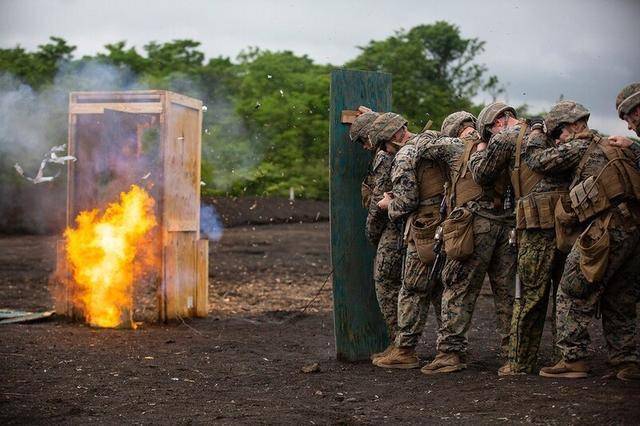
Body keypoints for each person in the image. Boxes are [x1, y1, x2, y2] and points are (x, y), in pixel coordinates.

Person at [524, 101, 640, 381]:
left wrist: (538, 131)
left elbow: (538, 161)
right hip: (633, 229)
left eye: (558, 133)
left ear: (575, 126)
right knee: (618, 294)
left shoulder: (579, 145)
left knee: (572, 289)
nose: (557, 140)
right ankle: (626, 362)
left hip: (606, 228)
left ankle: (573, 358)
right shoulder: (615, 144)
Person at [468, 104, 569, 375]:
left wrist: (478, 152)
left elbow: (482, 174)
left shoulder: (506, 137)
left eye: (488, 132)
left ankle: (520, 361)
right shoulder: (548, 130)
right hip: (568, 220)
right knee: (566, 292)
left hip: (536, 223)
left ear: (497, 123)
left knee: (528, 294)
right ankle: (568, 357)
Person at [415, 110, 516, 375]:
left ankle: (450, 353)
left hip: (474, 225)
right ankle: (513, 355)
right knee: (507, 293)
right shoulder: (503, 140)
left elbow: (422, 145)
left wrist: (430, 133)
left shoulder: (455, 144)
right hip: (507, 226)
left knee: (457, 285)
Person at [374, 116, 444, 369]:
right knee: (443, 291)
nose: (384, 151)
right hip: (449, 225)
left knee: (412, 289)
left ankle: (404, 351)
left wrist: (387, 204)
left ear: (393, 138)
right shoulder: (435, 143)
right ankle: (451, 351)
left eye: (383, 144)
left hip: (424, 227)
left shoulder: (405, 155)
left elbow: (407, 202)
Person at [362, 112, 408, 360]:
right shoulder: (397, 148)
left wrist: (371, 230)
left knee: (386, 285)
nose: (366, 147)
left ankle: (400, 345)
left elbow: (379, 200)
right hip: (409, 225)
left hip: (394, 227)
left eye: (365, 140)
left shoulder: (384, 156)